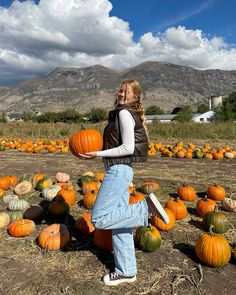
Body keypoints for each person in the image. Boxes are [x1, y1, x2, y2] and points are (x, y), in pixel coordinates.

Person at [78, 79, 169, 286]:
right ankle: (127, 271)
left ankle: (146, 209)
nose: (121, 94)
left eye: (126, 92)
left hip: (118, 170)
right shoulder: (124, 113)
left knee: (100, 219)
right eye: (120, 90)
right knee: (121, 225)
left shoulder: (124, 113)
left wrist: (97, 153)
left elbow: (127, 147)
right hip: (119, 170)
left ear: (135, 97)